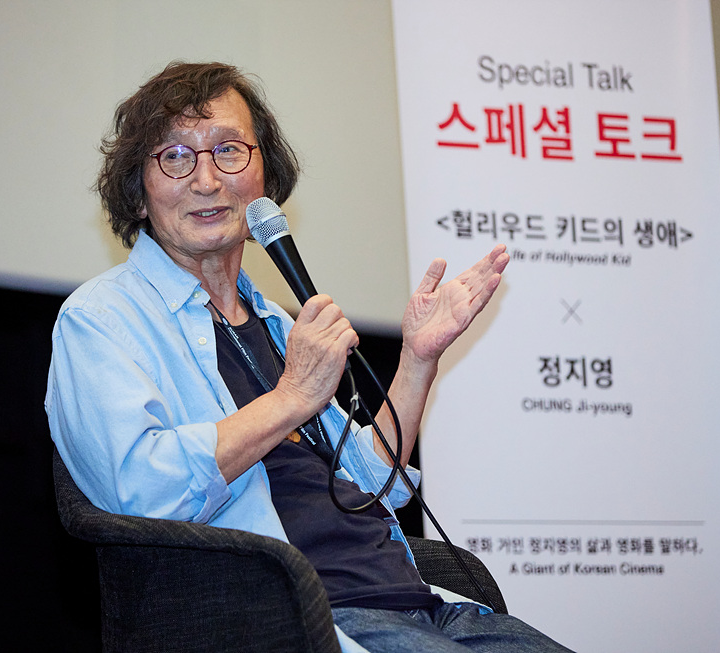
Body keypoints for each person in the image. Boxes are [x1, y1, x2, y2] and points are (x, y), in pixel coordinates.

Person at [46, 61, 572, 652]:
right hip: (304, 618)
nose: (207, 180)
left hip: (423, 603)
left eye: (228, 151)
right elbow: (137, 491)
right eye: (175, 156)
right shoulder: (101, 319)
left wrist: (417, 359)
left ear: (264, 178)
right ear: (137, 192)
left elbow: (373, 484)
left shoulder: (273, 321)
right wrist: (291, 397)